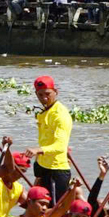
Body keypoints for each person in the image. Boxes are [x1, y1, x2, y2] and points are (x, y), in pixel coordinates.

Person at [30, 75, 73, 208]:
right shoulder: (44, 112)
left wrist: (38, 150)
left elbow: (60, 146)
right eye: (40, 95)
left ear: (56, 92)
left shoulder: (60, 115)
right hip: (43, 167)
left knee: (55, 212)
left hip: (57, 170)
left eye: (48, 94)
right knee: (39, 209)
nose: (44, 98)